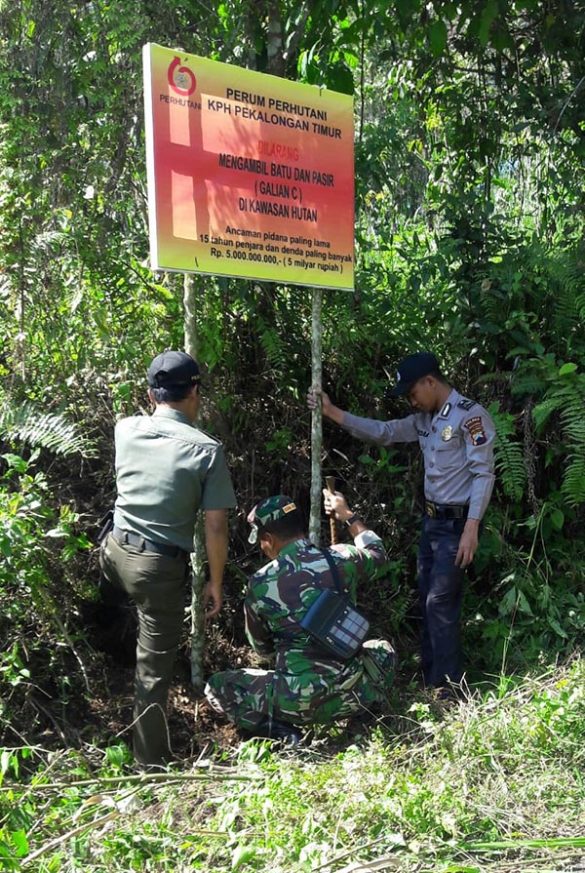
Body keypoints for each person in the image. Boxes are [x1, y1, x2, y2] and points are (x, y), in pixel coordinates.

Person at [308, 351, 495, 691]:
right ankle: (430, 677)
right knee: (426, 596)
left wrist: (472, 528)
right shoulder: (425, 420)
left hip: (457, 525)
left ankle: (450, 687)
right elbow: (384, 431)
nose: (411, 401)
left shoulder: (470, 417)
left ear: (430, 382)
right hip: (432, 524)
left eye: (413, 393)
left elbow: (483, 474)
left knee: (440, 601)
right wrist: (333, 412)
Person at [99, 350, 236, 767]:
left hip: (112, 552)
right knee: (153, 673)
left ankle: (96, 700)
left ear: (150, 393)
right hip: (156, 569)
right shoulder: (206, 451)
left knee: (110, 620)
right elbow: (215, 526)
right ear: (195, 391)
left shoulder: (125, 429)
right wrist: (215, 582)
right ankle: (151, 765)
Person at [205, 491, 395, 741]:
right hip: (352, 693)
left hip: (295, 701)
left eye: (262, 541)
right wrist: (347, 515)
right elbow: (378, 555)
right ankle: (363, 718)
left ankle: (285, 734)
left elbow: (262, 649)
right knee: (383, 649)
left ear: (269, 539)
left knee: (218, 687)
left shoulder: (261, 583)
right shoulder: (341, 557)